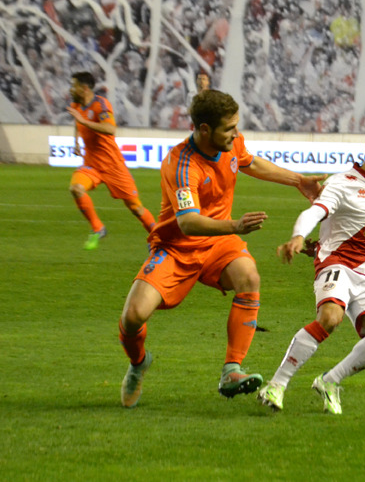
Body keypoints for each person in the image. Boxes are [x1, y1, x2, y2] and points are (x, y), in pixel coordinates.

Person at [118, 90, 325, 408]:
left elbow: (250, 162)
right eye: (229, 129)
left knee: (249, 278)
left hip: (219, 242)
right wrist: (235, 226)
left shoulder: (231, 144)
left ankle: (231, 370)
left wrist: (298, 180)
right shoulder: (181, 165)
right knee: (133, 316)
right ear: (203, 130)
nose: (236, 134)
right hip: (177, 247)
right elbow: (188, 222)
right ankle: (138, 363)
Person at [258, 125, 365, 414]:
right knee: (330, 317)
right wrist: (298, 235)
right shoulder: (342, 183)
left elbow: (358, 228)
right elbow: (315, 212)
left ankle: (330, 381)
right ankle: (277, 384)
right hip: (337, 265)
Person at [67, 71, 156, 250]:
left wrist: (83, 122)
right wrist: (76, 141)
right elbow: (78, 123)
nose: (70, 89)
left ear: (84, 88)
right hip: (91, 164)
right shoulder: (76, 105)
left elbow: (110, 128)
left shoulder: (101, 104)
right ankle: (98, 227)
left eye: (73, 85)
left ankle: (158, 238)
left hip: (113, 165)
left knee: (136, 208)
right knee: (76, 188)